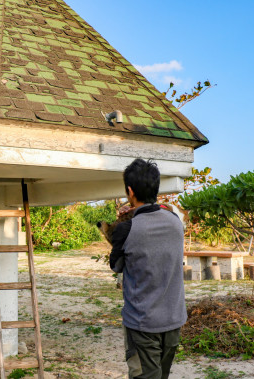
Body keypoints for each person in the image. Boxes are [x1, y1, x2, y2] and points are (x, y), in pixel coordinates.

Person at [110, 158, 186, 379]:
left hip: (142, 323)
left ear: (130, 191)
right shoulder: (175, 222)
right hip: (173, 321)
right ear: (156, 188)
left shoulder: (127, 228)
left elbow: (116, 266)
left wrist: (123, 221)